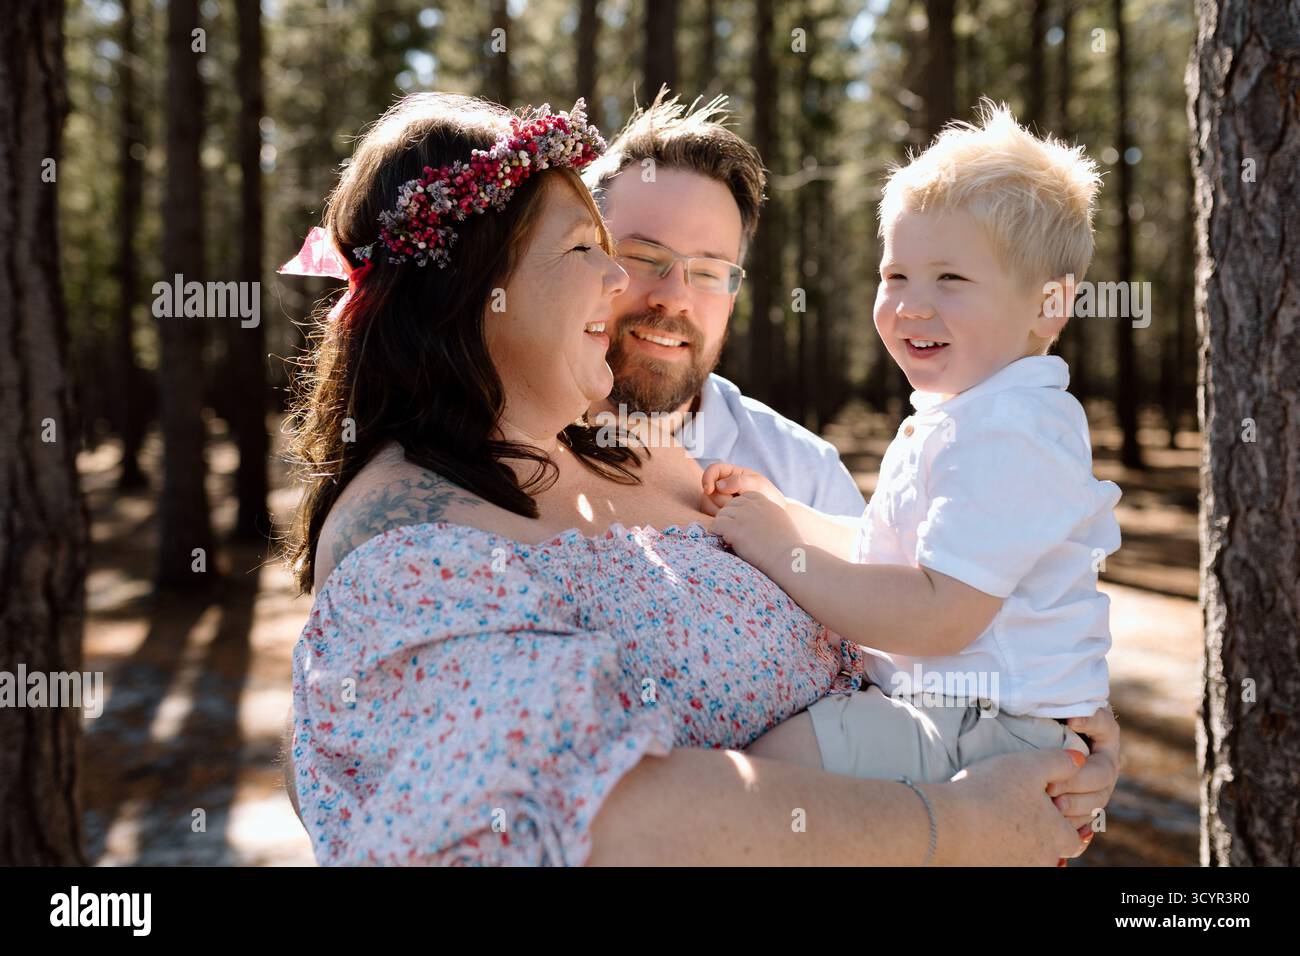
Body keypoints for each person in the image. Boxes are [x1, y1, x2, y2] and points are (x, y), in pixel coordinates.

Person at [280, 91, 1119, 866]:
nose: (633, 285)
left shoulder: (675, 457)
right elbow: (599, 817)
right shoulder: (413, 538)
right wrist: (964, 824)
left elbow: (920, 611)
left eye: (712, 269)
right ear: (476, 285)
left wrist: (1056, 720)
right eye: (607, 250)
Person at [704, 104, 1119, 796]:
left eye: (950, 280)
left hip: (985, 731)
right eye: (895, 276)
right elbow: (882, 553)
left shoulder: (1012, 430)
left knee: (755, 783)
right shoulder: (966, 416)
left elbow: (937, 613)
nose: (912, 305)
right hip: (958, 717)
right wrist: (782, 511)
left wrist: (780, 548)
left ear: (1049, 304)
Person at [582, 90, 866, 517]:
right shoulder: (500, 445)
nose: (674, 298)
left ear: (732, 296)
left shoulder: (808, 479)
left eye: (709, 273)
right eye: (642, 257)